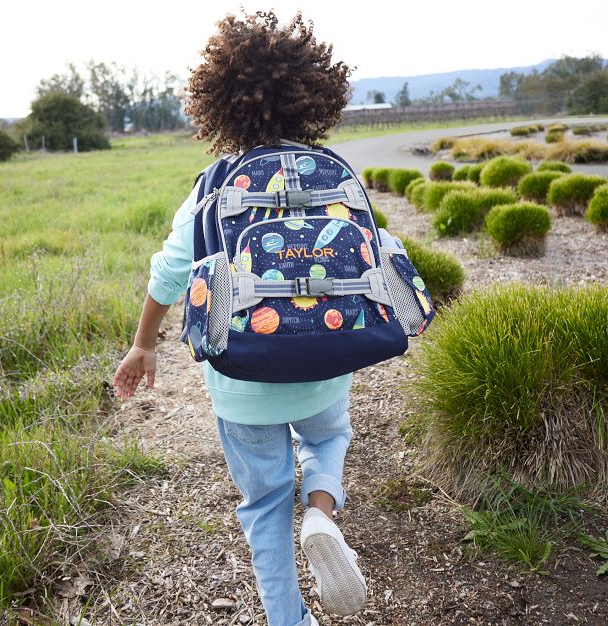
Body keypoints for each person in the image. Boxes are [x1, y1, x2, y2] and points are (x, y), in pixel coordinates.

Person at [113, 10, 367, 626]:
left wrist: (144, 345)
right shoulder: (331, 172)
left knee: (263, 502)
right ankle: (322, 513)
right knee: (329, 436)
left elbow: (169, 274)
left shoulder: (212, 186)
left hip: (243, 376)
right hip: (327, 362)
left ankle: (290, 619)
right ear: (315, 96)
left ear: (217, 104)